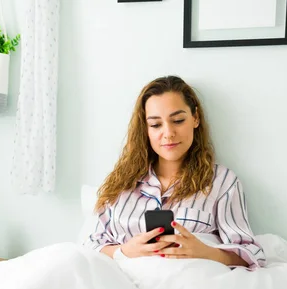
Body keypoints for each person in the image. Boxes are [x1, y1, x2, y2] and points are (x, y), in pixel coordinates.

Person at [83, 76, 266, 270]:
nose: (168, 133)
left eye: (178, 120)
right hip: (126, 284)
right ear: (145, 129)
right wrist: (124, 252)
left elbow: (252, 255)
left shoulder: (222, 182)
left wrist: (206, 252)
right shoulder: (122, 183)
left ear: (195, 119)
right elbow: (91, 245)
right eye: (155, 125)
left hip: (189, 285)